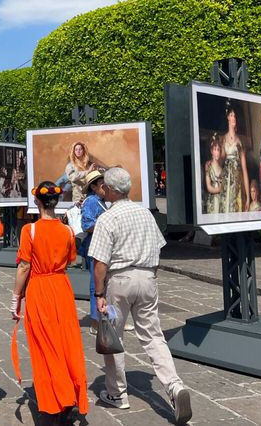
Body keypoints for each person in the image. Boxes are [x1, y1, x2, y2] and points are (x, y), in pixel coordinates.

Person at [88, 167, 192, 425]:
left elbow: (100, 262)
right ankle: (174, 385)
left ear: (110, 190)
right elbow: (158, 247)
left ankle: (116, 393)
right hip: (147, 278)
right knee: (154, 336)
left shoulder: (107, 218)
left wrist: (98, 293)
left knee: (114, 337)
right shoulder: (145, 213)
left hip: (120, 280)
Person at [11, 181, 88, 424]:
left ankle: (55, 401)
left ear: (37, 201)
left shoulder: (29, 231)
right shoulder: (67, 231)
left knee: (44, 346)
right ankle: (72, 395)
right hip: (61, 287)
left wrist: (16, 298)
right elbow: (70, 259)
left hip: (40, 288)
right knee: (67, 343)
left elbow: (24, 266)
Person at [80, 170, 107, 335]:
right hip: (95, 247)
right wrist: (107, 224)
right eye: (102, 184)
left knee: (108, 284)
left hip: (104, 247)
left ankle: (110, 317)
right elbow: (87, 225)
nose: (105, 187)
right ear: (94, 186)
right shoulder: (91, 202)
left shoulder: (104, 201)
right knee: (95, 285)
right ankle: (96, 320)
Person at [221, 102, 250, 213]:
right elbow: (221, 160)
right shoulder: (223, 139)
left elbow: (244, 170)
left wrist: (247, 197)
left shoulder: (240, 142)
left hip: (237, 184)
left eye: (235, 116)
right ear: (228, 117)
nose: (234, 118)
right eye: (232, 115)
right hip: (226, 183)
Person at [205, 133, 223, 214]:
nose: (217, 152)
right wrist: (218, 189)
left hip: (221, 201)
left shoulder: (221, 168)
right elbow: (208, 187)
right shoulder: (208, 165)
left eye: (218, 150)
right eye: (215, 149)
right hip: (212, 201)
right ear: (211, 151)